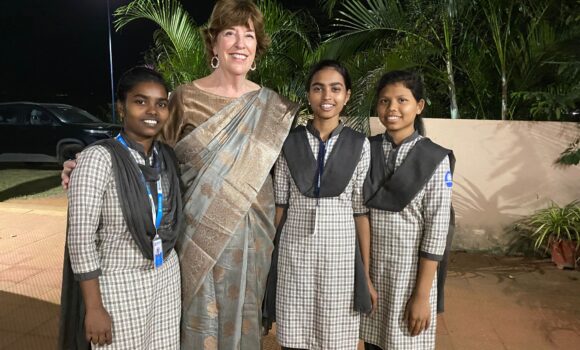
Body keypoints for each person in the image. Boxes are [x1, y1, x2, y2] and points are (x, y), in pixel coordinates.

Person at [60, 1, 297, 347]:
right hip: (194, 237)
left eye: (249, 35)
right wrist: (90, 161)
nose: (240, 43)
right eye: (229, 33)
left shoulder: (272, 107)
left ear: (257, 47)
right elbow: (143, 146)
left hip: (253, 240)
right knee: (193, 325)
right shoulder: (185, 98)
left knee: (242, 323)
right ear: (213, 43)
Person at [58, 66, 183, 349]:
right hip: (118, 284)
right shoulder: (98, 159)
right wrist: (94, 308)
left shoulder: (167, 158)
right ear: (121, 107)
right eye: (141, 101)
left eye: (160, 104)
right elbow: (80, 240)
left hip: (165, 280)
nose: (152, 111)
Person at [268, 60, 376, 350]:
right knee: (294, 332)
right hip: (295, 251)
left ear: (347, 95)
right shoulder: (289, 143)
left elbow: (360, 212)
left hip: (339, 252)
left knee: (336, 335)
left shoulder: (359, 145)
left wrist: (364, 273)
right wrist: (268, 259)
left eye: (335, 89)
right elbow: (280, 205)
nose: (326, 97)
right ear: (308, 95)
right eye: (318, 88)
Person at [360, 70, 454, 350]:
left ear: (419, 106)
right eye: (385, 101)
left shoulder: (435, 159)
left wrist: (423, 296)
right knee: (373, 343)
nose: (392, 109)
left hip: (411, 276)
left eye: (402, 100)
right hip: (373, 272)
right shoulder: (367, 150)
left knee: (407, 341)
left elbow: (437, 229)